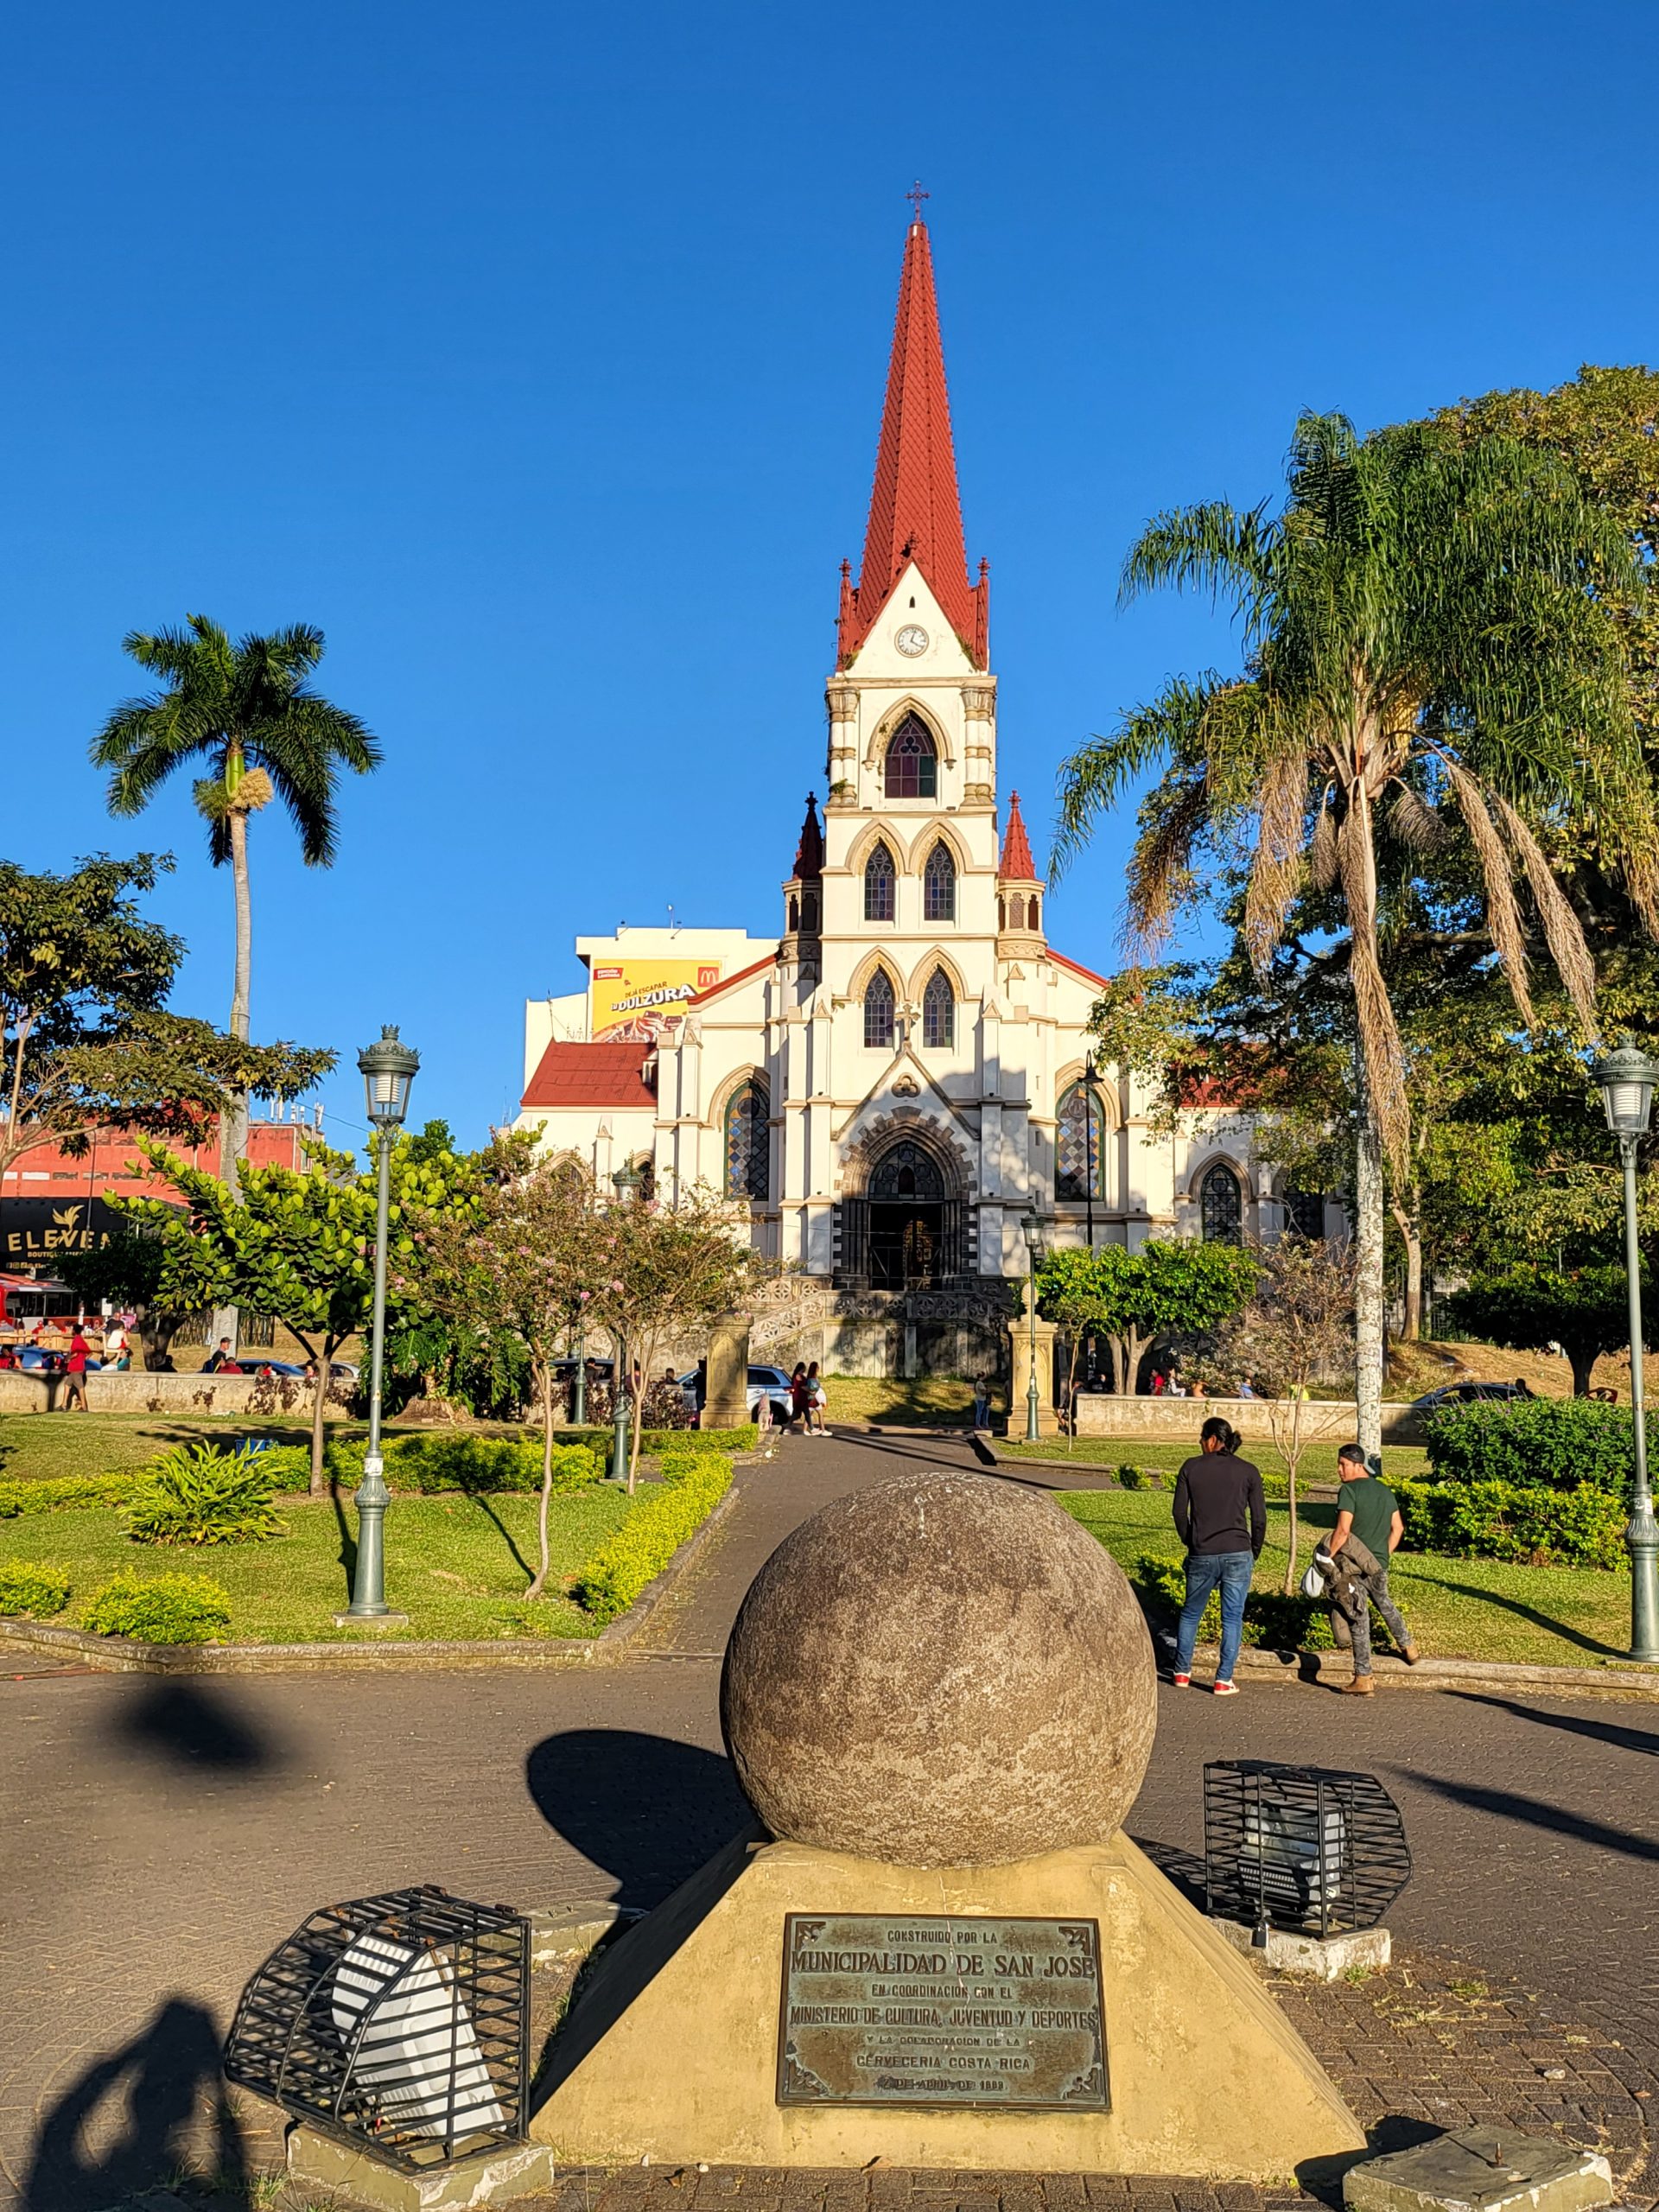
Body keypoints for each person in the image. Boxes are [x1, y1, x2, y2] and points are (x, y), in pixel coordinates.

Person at [1170, 1416, 1266, 1696]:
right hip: (1238, 1550)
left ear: (1212, 1440)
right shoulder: (1248, 1471)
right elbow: (1259, 1518)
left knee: (1190, 1614)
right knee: (1232, 1617)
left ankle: (1181, 1672)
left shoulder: (1191, 1468)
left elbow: (1179, 1513)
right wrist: (1254, 1549)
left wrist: (1191, 1541)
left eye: (1202, 1438)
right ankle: (1223, 1679)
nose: (1200, 1444)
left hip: (1202, 1552)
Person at [1323, 1443, 1419, 1693]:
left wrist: (1326, 1558)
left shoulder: (1349, 1491)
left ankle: (1363, 1677)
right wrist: (1382, 1555)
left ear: (1358, 1465)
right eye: (1339, 1464)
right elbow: (1398, 1529)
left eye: (1343, 1465)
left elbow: (1342, 1532)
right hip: (1378, 1565)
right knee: (1385, 1605)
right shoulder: (1385, 1491)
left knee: (1358, 1618)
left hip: (1353, 1566)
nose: (1339, 1470)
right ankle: (1409, 1647)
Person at [63, 1327, 92, 1412]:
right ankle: (64, 1405)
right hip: (76, 1368)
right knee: (67, 1385)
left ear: (74, 1331)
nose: (71, 1330)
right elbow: (90, 1352)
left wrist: (67, 1358)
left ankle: (84, 1407)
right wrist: (83, 1359)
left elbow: (75, 1353)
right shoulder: (81, 1340)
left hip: (76, 1368)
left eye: (72, 1329)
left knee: (80, 1388)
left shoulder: (77, 1340)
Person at [788, 1362, 811, 1431]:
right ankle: (812, 1428)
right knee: (807, 1413)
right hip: (800, 1397)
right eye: (804, 1367)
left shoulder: (800, 1376)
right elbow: (801, 1386)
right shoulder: (798, 1376)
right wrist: (809, 1390)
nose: (805, 1369)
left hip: (800, 1397)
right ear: (802, 1368)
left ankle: (787, 1424)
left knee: (797, 1414)